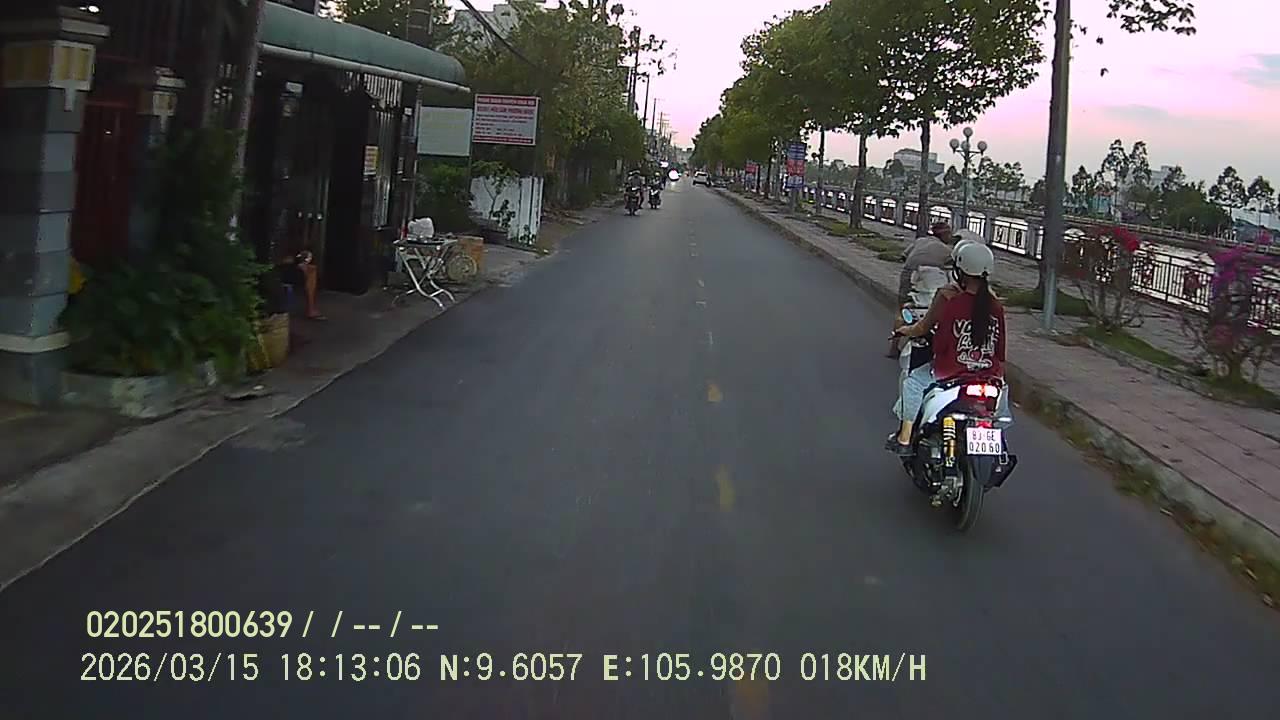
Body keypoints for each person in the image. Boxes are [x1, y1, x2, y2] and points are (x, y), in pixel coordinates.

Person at [885, 241, 1007, 456]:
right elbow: (1000, 348)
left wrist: (904, 330)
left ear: (960, 270)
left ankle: (904, 438)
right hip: (989, 372)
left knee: (913, 383)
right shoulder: (996, 304)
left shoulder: (949, 298)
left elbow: (930, 333)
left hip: (951, 370)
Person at [887, 221, 959, 357]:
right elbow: (955, 267)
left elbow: (903, 256)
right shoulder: (947, 250)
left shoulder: (920, 241)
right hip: (929, 279)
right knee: (935, 309)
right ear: (944, 235)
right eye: (949, 234)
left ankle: (894, 348)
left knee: (903, 310)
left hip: (908, 274)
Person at [279, 248, 324, 320]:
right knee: (311, 271)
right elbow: (284, 260)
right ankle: (311, 308)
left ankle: (311, 308)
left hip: (281, 269)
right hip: (278, 272)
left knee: (310, 269)